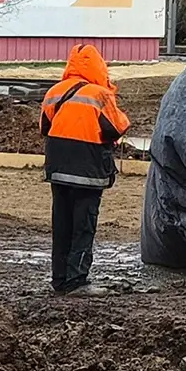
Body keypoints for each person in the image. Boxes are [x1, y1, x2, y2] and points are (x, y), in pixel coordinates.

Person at [41, 44, 131, 295]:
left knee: (62, 224)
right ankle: (77, 280)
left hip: (57, 168)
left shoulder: (54, 92)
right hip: (88, 170)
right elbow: (118, 127)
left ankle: (60, 279)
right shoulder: (99, 95)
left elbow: (45, 126)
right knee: (83, 225)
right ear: (99, 66)